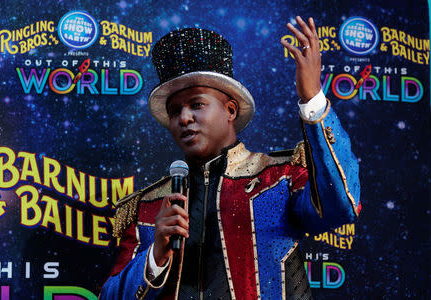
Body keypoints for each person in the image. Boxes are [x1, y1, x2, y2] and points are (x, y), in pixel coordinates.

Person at [100, 16, 361, 300]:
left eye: (197, 104)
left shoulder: (279, 179)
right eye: (175, 111)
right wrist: (155, 256)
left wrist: (313, 99)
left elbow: (342, 205)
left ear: (230, 110)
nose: (184, 118)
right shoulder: (149, 207)